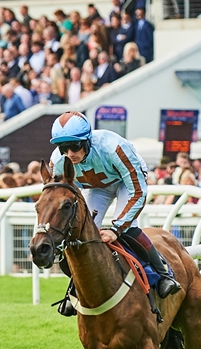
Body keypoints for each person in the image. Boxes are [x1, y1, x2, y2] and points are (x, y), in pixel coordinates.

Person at [49, 111, 180, 317]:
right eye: (63, 148)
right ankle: (74, 286)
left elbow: (137, 191)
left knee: (128, 229)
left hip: (126, 182)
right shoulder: (57, 162)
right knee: (79, 233)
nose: (70, 154)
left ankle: (164, 274)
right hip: (97, 188)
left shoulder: (113, 147)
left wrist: (116, 229)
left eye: (74, 146)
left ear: (87, 141)